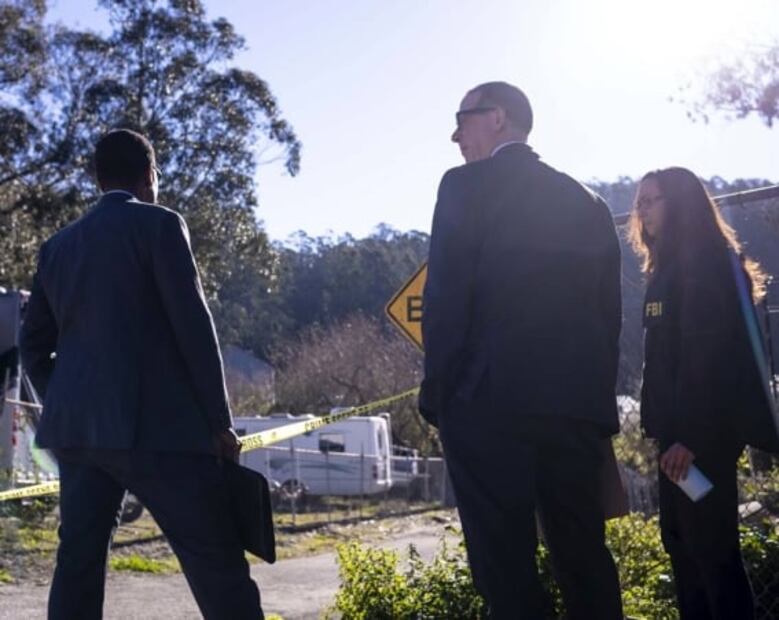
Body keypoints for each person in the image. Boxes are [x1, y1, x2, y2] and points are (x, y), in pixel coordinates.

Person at [19, 129, 263, 620]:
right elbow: (194, 329)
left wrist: (65, 402)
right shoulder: (161, 225)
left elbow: (32, 347)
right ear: (150, 175)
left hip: (80, 436)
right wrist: (220, 422)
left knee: (78, 565)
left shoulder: (57, 247)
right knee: (215, 562)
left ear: (96, 178)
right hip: (161, 433)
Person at [420, 81, 624, 619]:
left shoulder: (465, 187)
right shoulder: (590, 203)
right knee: (583, 557)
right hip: (575, 414)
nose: (455, 135)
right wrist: (598, 414)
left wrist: (437, 395)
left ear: (499, 118)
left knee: (504, 563)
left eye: (462, 119)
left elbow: (446, 298)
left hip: (488, 407)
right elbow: (610, 319)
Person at [630, 167, 779, 620]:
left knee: (712, 557)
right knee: (686, 552)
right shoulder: (669, 268)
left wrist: (689, 439)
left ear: (682, 205)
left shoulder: (705, 265)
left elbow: (709, 359)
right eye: (639, 203)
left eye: (651, 200)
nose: (642, 211)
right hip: (677, 444)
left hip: (698, 445)